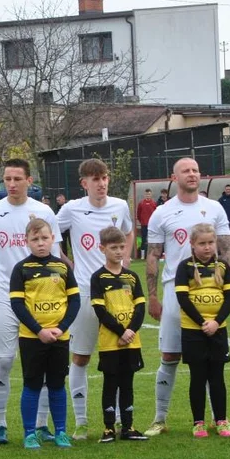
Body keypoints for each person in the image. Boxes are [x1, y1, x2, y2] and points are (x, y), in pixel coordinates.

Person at [144, 158, 230, 436]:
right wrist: (153, 296)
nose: (192, 174)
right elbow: (152, 254)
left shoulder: (215, 208)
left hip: (213, 291)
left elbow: (227, 249)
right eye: (186, 171)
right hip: (177, 291)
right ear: (174, 178)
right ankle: (160, 418)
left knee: (212, 358)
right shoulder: (162, 212)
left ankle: (216, 418)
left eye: (196, 170)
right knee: (170, 355)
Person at [0, 158, 62, 445]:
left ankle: (41, 425)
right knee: (3, 360)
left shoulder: (44, 211)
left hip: (42, 302)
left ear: (29, 181)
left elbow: (58, 254)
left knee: (43, 364)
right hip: (4, 297)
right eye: (7, 179)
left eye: (17, 179)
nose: (11, 185)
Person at [56, 158, 135, 439]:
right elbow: (53, 235)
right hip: (87, 294)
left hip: (118, 296)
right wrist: (68, 263)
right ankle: (81, 422)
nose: (101, 183)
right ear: (84, 183)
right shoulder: (72, 209)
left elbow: (128, 230)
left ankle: (113, 423)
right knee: (80, 357)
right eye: (95, 178)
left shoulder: (120, 206)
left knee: (115, 358)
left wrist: (125, 258)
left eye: (104, 177)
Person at [9, 218, 80, 449]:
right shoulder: (21, 269)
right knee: (32, 384)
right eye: (35, 239)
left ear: (52, 239)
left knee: (58, 384)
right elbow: (18, 305)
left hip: (60, 337)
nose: (40, 243)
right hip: (32, 338)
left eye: (45, 238)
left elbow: (75, 301)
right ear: (27, 241)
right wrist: (38, 330)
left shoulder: (62, 267)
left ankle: (60, 431)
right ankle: (30, 433)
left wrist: (61, 328)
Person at [174, 223, 230, 438]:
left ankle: (221, 420)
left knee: (217, 376)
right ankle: (198, 422)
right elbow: (183, 298)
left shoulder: (224, 267)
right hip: (193, 331)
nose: (207, 247)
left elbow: (229, 299)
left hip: (218, 331)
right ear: (192, 244)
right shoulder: (185, 267)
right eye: (202, 243)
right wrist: (203, 322)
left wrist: (216, 322)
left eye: (210, 242)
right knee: (198, 376)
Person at [90, 226, 148, 442]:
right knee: (110, 382)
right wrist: (121, 332)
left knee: (128, 382)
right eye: (114, 247)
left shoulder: (131, 277)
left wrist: (131, 330)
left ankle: (128, 426)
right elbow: (100, 310)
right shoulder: (98, 278)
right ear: (102, 248)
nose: (119, 251)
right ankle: (108, 428)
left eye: (122, 247)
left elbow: (140, 307)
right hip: (110, 342)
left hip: (131, 341)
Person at [136, 189, 157, 259]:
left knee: (152, 240)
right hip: (144, 224)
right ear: (144, 195)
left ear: (151, 195)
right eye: (146, 194)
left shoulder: (154, 203)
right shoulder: (141, 203)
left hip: (152, 225)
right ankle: (142, 256)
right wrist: (141, 221)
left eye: (149, 194)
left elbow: (156, 214)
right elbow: (138, 214)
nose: (148, 195)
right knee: (143, 240)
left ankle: (152, 254)